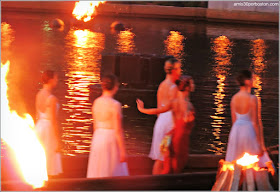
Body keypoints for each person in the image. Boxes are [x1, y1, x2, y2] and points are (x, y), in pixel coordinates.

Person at [137, 76, 195, 174]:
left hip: (169, 136)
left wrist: (142, 109)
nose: (194, 85)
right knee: (173, 163)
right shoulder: (188, 105)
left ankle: (157, 184)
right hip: (178, 138)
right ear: (187, 87)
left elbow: (157, 110)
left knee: (161, 159)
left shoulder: (175, 103)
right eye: (192, 83)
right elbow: (186, 123)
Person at [87, 74, 129, 178]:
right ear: (115, 86)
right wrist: (123, 151)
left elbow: (95, 126)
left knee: (98, 170)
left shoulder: (96, 102)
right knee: (111, 171)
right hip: (110, 139)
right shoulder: (115, 105)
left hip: (98, 138)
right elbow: (118, 130)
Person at [148, 58, 182, 174]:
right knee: (168, 157)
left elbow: (158, 108)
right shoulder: (174, 88)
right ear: (173, 70)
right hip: (169, 122)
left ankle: (154, 183)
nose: (180, 71)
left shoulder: (161, 85)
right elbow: (175, 110)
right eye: (178, 69)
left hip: (160, 121)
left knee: (160, 158)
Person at [35, 70, 62, 177]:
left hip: (39, 127)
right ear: (50, 80)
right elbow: (54, 121)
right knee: (49, 156)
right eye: (56, 78)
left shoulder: (39, 94)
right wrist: (57, 140)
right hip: (48, 129)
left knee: (40, 156)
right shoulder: (52, 99)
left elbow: (36, 115)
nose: (57, 80)